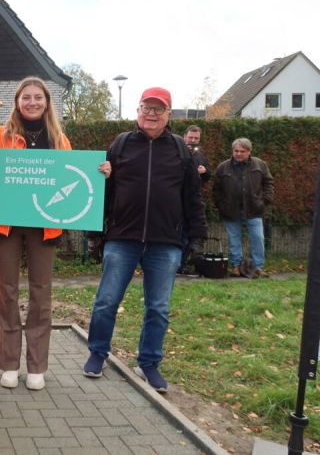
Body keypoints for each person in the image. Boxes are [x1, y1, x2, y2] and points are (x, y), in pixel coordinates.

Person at [0, 77, 110, 391]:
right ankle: (9, 364)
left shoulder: (59, 139)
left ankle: (37, 366)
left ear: (47, 103)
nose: (33, 102)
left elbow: (76, 178)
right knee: (6, 292)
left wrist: (100, 171)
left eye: (38, 97)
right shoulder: (0, 135)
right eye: (27, 97)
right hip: (5, 225)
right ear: (18, 102)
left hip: (45, 225)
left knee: (41, 294)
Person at [82, 87, 207, 393]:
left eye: (158, 109)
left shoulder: (180, 150)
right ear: (137, 111)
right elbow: (104, 190)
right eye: (146, 108)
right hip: (122, 238)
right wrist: (96, 232)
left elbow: (193, 197)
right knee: (106, 301)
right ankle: (97, 353)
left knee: (158, 308)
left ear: (168, 115)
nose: (151, 114)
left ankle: (148, 363)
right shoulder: (121, 144)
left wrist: (196, 236)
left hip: (165, 242)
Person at [212, 138, 274, 277]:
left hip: (254, 209)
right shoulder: (223, 167)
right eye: (236, 151)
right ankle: (236, 266)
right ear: (232, 151)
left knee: (258, 239)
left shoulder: (260, 164)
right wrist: (221, 205)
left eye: (242, 151)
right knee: (234, 240)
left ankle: (258, 267)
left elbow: (268, 183)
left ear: (249, 152)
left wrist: (264, 201)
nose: (238, 154)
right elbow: (216, 189)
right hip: (230, 210)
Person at [178, 125, 212, 274]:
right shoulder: (176, 151)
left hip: (193, 201)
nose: (193, 141)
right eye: (191, 137)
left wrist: (204, 172)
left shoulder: (201, 156)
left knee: (188, 235)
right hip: (176, 199)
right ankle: (175, 265)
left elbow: (208, 176)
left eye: (196, 138)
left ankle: (182, 265)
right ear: (184, 136)